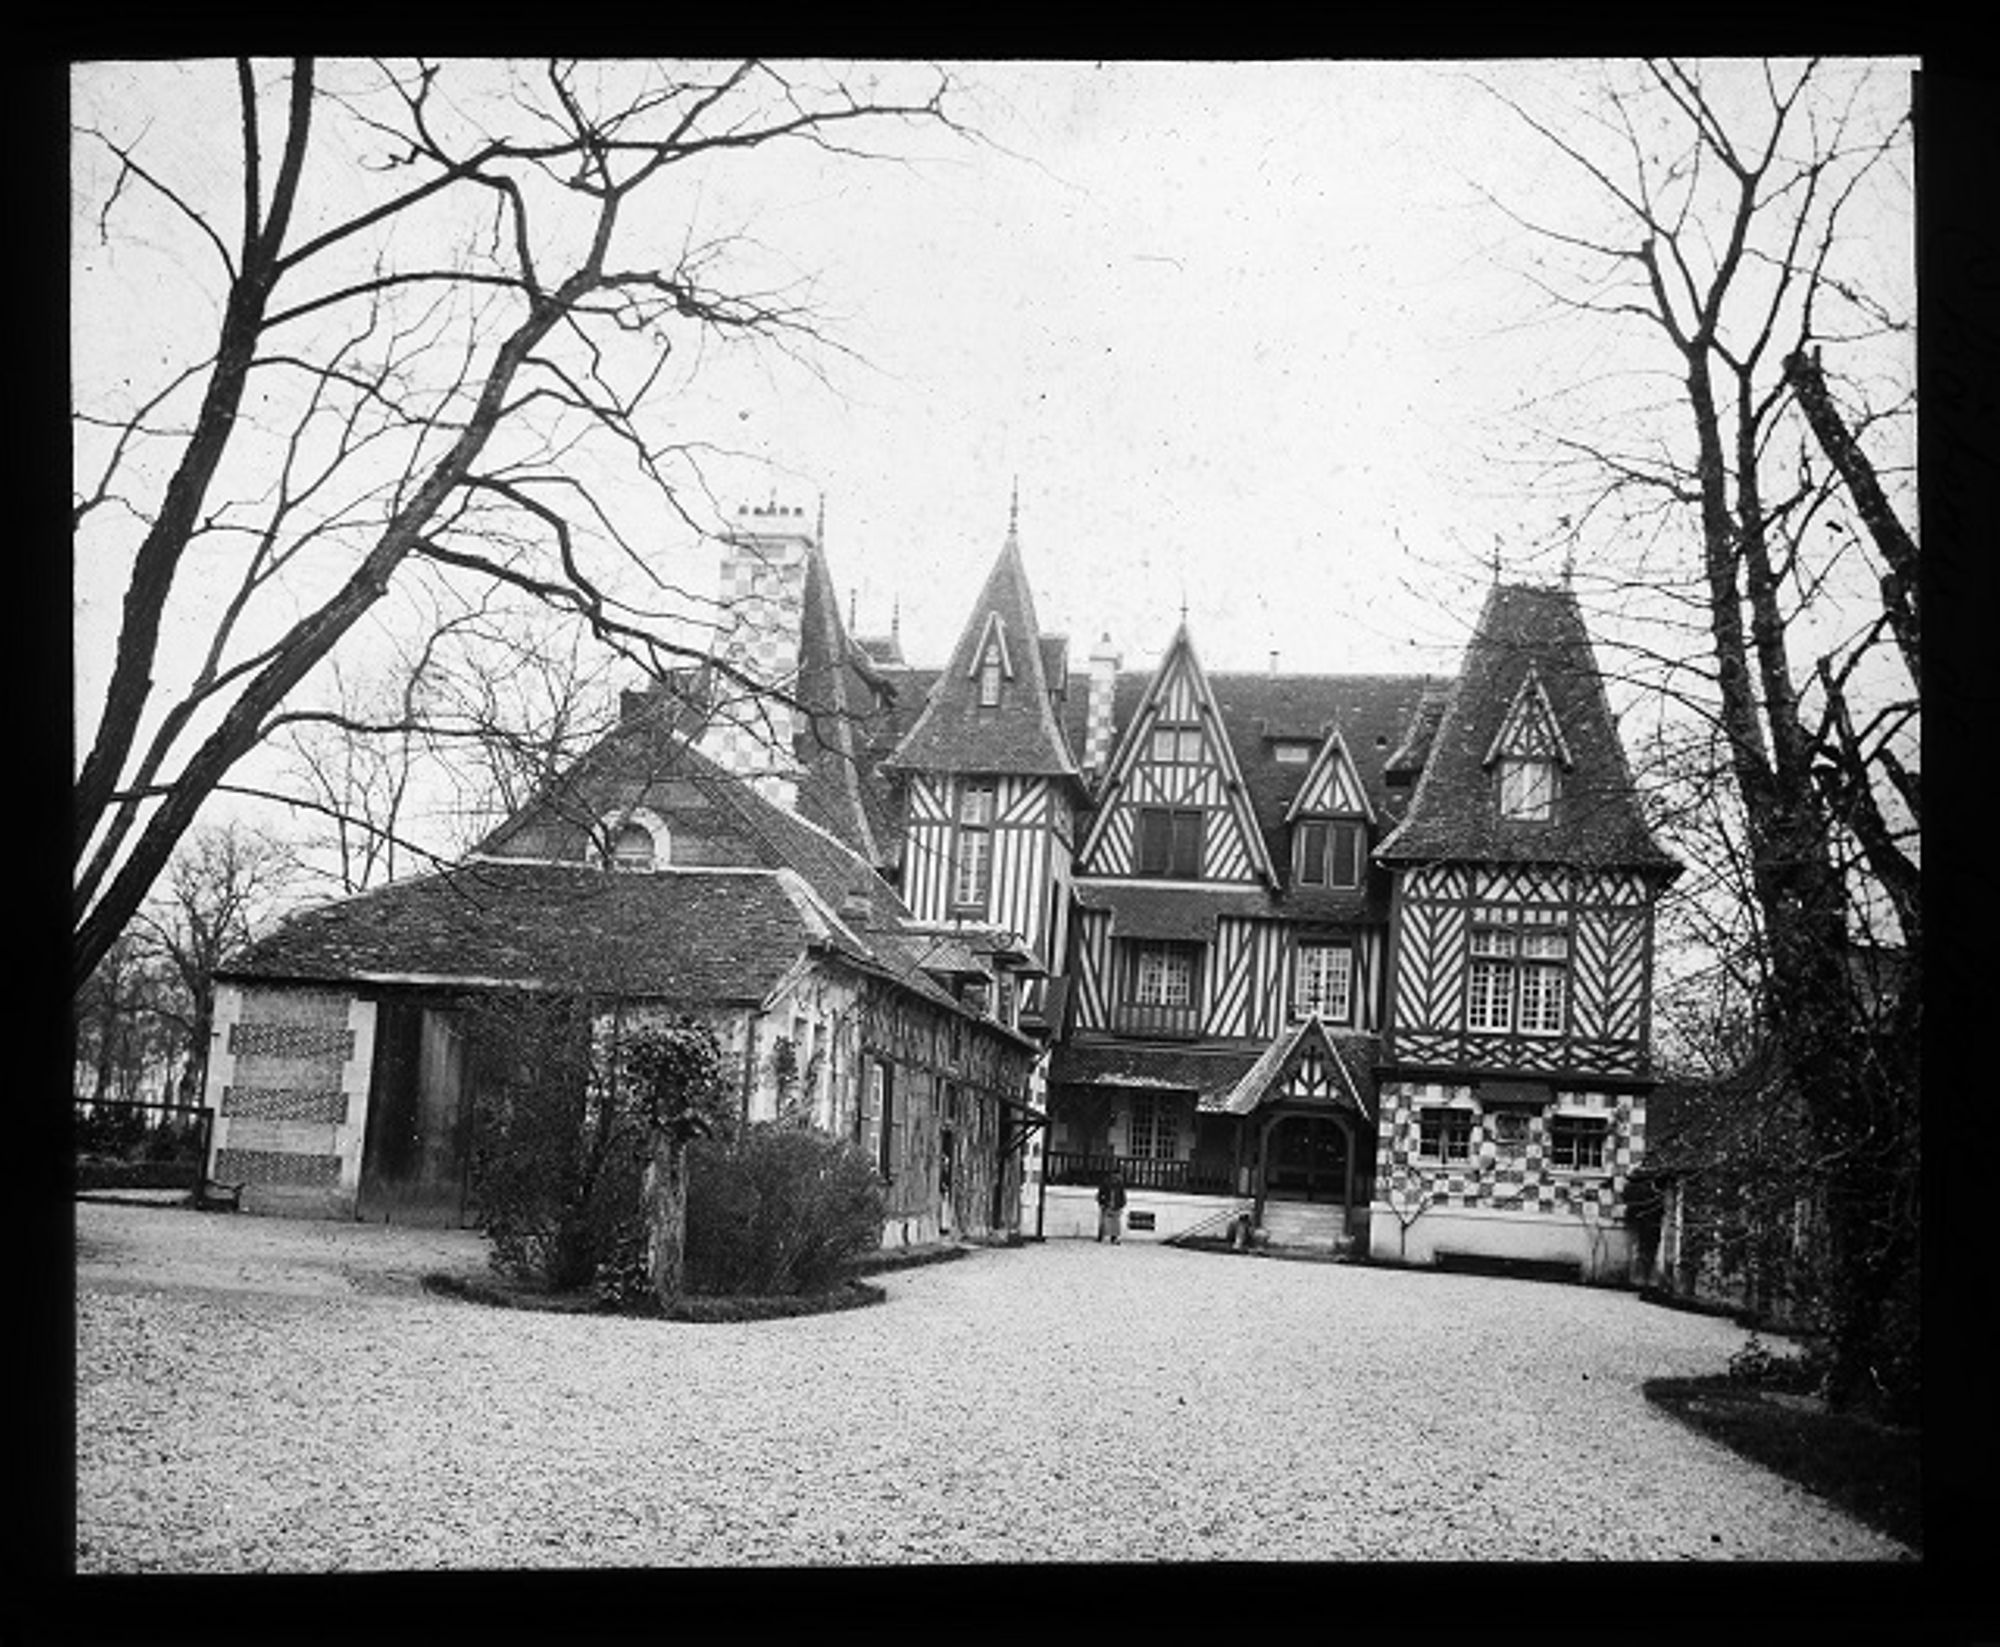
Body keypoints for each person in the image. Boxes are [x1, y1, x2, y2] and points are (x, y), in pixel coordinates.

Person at [1096, 1161, 1128, 1244]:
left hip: (1115, 1204)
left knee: (1114, 1222)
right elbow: (1101, 1193)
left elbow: (1122, 1194)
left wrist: (1122, 1203)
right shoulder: (1107, 1182)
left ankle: (1112, 1237)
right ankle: (1103, 1236)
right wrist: (1101, 1202)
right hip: (1108, 1203)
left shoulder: (1119, 1183)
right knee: (1106, 1221)